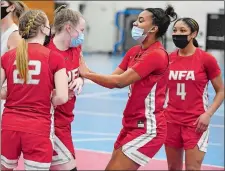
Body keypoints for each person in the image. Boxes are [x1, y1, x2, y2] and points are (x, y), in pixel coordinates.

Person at [79, 5, 177, 171]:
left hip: (148, 127)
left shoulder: (157, 54)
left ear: (154, 28)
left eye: (140, 20)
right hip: (131, 123)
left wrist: (87, 73)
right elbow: (112, 79)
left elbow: (119, 82)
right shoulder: (134, 51)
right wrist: (84, 69)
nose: (135, 24)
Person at [1, 9, 69, 170]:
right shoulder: (54, 58)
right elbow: (62, 97)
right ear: (44, 29)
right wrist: (46, 97)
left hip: (9, 125)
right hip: (38, 127)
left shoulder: (8, 56)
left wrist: (16, 93)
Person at [164, 17, 224, 170]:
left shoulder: (206, 59)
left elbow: (221, 90)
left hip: (196, 123)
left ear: (193, 34)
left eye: (183, 31)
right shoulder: (167, 59)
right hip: (170, 121)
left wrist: (208, 114)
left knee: (192, 168)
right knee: (173, 168)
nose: (177, 34)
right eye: (175, 30)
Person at [46, 5, 85, 171]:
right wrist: (58, 92)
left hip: (67, 121)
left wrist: (81, 80)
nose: (83, 35)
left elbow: (83, 71)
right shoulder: (47, 52)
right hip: (51, 122)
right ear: (69, 28)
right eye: (81, 30)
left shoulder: (76, 49)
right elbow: (35, 90)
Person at [1, 0, 27, 115]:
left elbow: (17, 72)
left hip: (4, 97)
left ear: (11, 7)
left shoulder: (14, 35)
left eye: (1, 4)